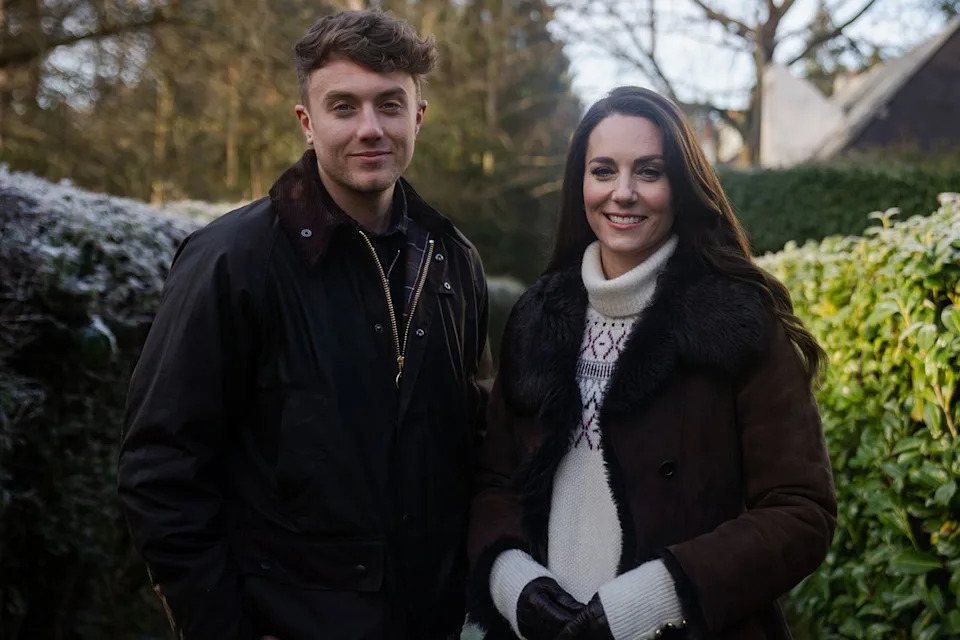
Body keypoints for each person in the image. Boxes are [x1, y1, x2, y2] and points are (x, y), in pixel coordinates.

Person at [117, 10, 492, 640]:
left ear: (418, 117)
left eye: (390, 105)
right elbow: (161, 470)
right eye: (343, 106)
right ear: (307, 121)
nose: (369, 128)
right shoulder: (232, 260)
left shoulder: (455, 261)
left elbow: (472, 449)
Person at [466, 86, 837, 640]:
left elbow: (801, 511)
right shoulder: (539, 315)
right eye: (603, 170)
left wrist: (653, 598)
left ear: (680, 185)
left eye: (648, 171)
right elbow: (495, 480)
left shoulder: (737, 318)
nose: (623, 193)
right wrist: (516, 586)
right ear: (580, 183)